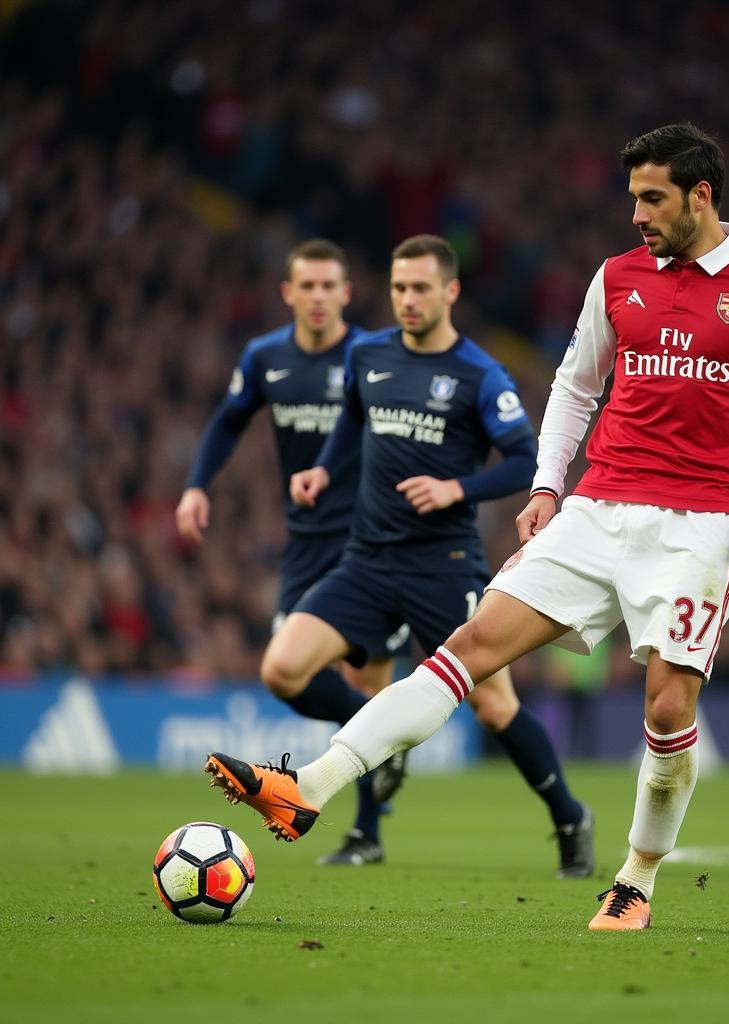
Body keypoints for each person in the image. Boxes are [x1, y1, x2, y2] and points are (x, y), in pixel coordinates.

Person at [204, 122, 729, 925]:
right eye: (633, 198)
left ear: (701, 194)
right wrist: (546, 487)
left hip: (701, 525)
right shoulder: (615, 279)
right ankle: (308, 788)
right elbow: (576, 388)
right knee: (465, 652)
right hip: (598, 505)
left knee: (668, 710)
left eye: (653, 199)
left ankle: (636, 879)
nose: (638, 215)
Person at [207, 234, 594, 878]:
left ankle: (568, 816)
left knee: (495, 706)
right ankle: (380, 757)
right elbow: (353, 422)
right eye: (398, 288)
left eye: (419, 288)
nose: (407, 300)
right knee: (282, 668)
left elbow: (526, 460)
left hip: (444, 567)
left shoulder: (480, 374)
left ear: (450, 291)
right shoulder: (369, 353)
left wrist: (457, 488)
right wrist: (325, 472)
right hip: (366, 562)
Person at [176, 238, 405, 866]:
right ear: (289, 292)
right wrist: (197, 485)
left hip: (369, 543)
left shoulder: (370, 355)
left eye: (330, 285)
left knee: (362, 679)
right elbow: (227, 421)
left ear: (346, 292)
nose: (319, 296)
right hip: (306, 543)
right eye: (307, 286)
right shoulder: (264, 356)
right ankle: (391, 738)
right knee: (292, 677)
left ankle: (367, 836)